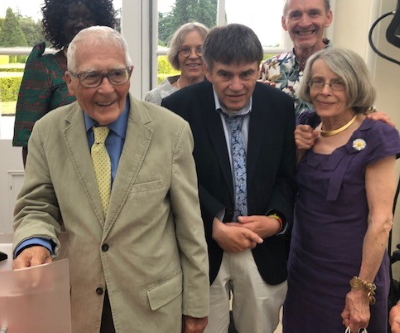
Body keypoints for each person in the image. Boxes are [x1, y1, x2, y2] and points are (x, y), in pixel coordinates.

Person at [12, 26, 209, 333]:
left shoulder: (172, 131)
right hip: (79, 302)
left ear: (129, 74)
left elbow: (190, 226)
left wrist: (196, 304)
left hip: (152, 307)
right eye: (91, 77)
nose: (106, 89)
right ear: (70, 82)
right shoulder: (47, 132)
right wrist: (34, 241)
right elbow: (37, 204)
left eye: (117, 75)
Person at [162, 23, 297, 333]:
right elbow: (178, 179)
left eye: (247, 74)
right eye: (225, 74)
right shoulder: (177, 108)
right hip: (204, 250)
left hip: (263, 247)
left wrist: (275, 220)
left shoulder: (279, 106)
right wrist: (214, 224)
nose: (237, 85)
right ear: (208, 71)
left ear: (258, 70)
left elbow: (286, 175)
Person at [283, 47, 400, 332]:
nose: (325, 90)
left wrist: (360, 291)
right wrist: (298, 150)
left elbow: (382, 221)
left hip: (352, 274)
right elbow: (292, 186)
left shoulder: (376, 135)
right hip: (304, 268)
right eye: (317, 81)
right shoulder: (306, 125)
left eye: (337, 83)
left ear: (354, 86)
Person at [13, 0, 116, 166]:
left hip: (108, 166)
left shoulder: (110, 66)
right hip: (59, 168)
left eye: (88, 17)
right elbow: (28, 138)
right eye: (72, 17)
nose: (80, 23)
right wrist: (36, 188)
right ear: (59, 22)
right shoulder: (43, 66)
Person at [259, 0, 333, 116]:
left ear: (328, 18)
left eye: (313, 13)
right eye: (295, 15)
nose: (304, 23)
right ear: (284, 22)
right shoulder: (270, 68)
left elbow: (364, 117)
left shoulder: (347, 67)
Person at [145, 22, 208, 105]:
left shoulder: (219, 94)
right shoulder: (156, 98)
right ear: (176, 55)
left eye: (200, 49)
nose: (193, 56)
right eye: (185, 50)